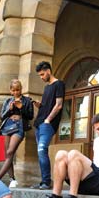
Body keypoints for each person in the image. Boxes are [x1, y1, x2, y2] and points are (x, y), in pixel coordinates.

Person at [31, 61, 65, 189]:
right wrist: (39, 105)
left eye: (42, 74)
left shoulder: (59, 84)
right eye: (39, 75)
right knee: (41, 153)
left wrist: (48, 120)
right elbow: (48, 105)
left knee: (42, 150)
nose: (41, 77)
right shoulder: (46, 88)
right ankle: (44, 181)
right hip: (39, 123)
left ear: (49, 71)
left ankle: (46, 182)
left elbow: (59, 105)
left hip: (47, 123)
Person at [0, 79, 34, 188]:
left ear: (21, 89)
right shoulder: (7, 101)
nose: (15, 92)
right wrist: (9, 110)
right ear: (10, 90)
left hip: (19, 127)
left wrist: (21, 107)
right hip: (7, 127)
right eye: (13, 90)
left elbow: (30, 116)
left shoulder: (27, 100)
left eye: (17, 90)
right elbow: (2, 116)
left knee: (10, 152)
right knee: (7, 155)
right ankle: (12, 179)